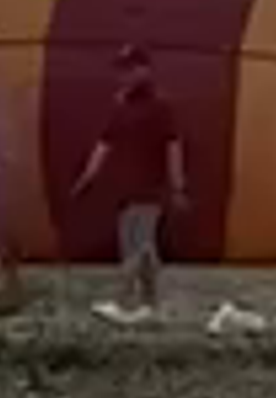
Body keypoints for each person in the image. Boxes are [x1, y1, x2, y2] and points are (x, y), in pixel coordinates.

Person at [73, 42, 192, 315]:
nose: (124, 75)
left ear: (145, 70)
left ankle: (123, 302)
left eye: (130, 69)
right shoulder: (120, 108)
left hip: (150, 188)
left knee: (137, 246)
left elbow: (173, 146)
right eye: (122, 70)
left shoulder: (161, 107)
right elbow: (104, 144)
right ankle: (151, 304)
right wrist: (88, 177)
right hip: (124, 189)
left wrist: (177, 186)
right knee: (140, 246)